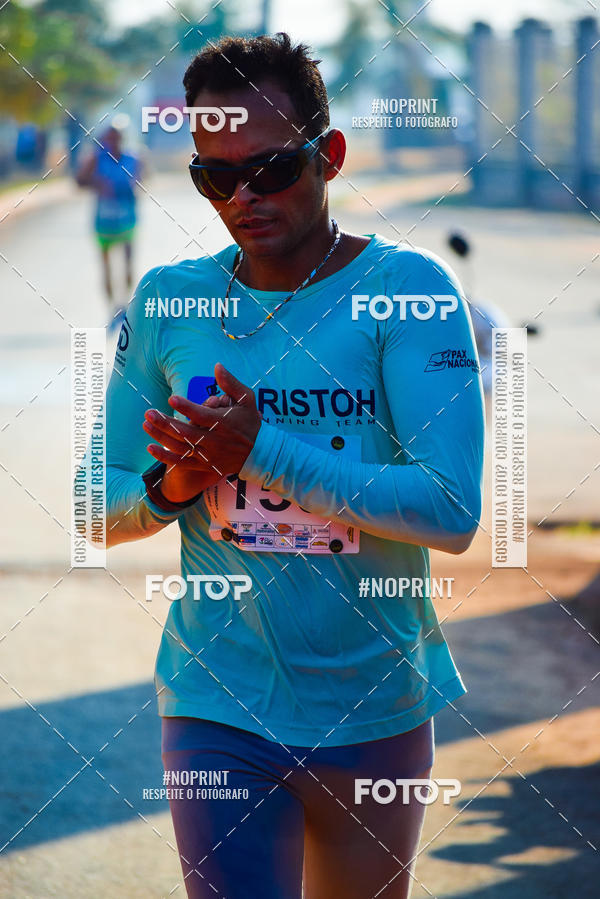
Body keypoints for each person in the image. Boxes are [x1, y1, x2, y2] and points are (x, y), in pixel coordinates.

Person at [102, 33, 484, 899]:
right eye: (214, 176)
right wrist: (173, 485)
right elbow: (97, 500)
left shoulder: (411, 291)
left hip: (374, 703)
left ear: (329, 155)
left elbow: (451, 508)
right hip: (216, 698)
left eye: (270, 169)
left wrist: (258, 450)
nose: (243, 196)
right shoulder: (170, 300)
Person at [76, 121, 142, 322]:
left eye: (116, 137)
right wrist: (97, 183)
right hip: (104, 221)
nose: (113, 142)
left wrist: (132, 186)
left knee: (128, 263)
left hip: (127, 218)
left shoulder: (133, 158)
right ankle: (112, 306)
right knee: (106, 266)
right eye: (109, 138)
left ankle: (125, 302)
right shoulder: (96, 159)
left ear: (122, 138)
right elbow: (79, 181)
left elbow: (142, 180)